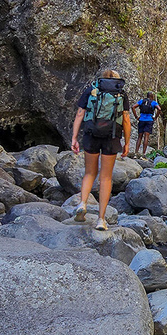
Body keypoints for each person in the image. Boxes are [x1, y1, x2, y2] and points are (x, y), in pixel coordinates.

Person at [70, 69, 131, 231]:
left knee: (89, 172)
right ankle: (101, 219)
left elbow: (79, 113)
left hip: (91, 134)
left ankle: (82, 203)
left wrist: (74, 138)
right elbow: (125, 120)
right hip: (112, 137)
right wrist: (127, 143)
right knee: (106, 178)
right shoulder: (121, 94)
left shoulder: (92, 90)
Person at [132, 92, 161, 158]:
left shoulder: (142, 101)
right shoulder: (153, 102)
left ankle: (136, 153)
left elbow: (133, 107)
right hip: (149, 120)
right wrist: (156, 117)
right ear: (152, 97)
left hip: (141, 120)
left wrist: (136, 116)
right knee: (146, 137)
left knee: (139, 137)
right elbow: (159, 109)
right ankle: (143, 154)